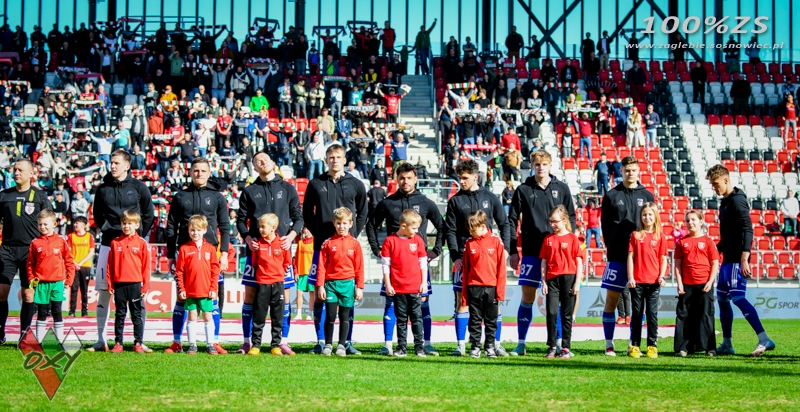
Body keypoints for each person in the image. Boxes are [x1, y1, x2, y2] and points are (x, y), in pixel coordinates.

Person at [366, 162, 445, 356]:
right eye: (401, 178)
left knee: (423, 303)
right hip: (395, 268)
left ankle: (425, 344)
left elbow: (442, 226)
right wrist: (377, 250)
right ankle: (388, 344)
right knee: (391, 303)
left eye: (409, 178)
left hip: (417, 266)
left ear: (416, 179)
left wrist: (435, 251)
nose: (405, 181)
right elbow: (371, 225)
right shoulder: (388, 203)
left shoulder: (425, 202)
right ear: (396, 179)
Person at [507, 150, 575, 356]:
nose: (541, 167)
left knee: (560, 300)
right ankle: (521, 343)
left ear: (550, 165)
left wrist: (569, 246)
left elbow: (571, 218)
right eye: (537, 164)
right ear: (532, 166)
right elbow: (511, 220)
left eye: (544, 164)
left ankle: (560, 344)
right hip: (531, 251)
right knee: (527, 296)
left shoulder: (562, 188)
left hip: (557, 255)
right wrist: (513, 250)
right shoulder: (523, 189)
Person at [87, 150, 155, 352]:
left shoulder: (139, 187)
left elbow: (148, 214)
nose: (112, 166)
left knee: (137, 295)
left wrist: (138, 235)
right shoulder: (102, 189)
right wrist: (108, 230)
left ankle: (139, 341)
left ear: (127, 165)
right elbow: (97, 215)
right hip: (109, 245)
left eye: (116, 163)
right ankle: (101, 340)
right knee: (103, 292)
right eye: (111, 163)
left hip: (133, 247)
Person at [236, 153, 302, 355]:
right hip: (257, 252)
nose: (262, 162)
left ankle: (282, 341)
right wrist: (248, 238)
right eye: (257, 161)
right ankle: (248, 342)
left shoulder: (288, 188)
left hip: (281, 252)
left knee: (284, 297)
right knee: (250, 295)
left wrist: (291, 236)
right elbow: (240, 221)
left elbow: (298, 218)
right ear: (254, 168)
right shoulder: (249, 191)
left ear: (273, 163)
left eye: (265, 159)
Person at [304, 145, 367, 355]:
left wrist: (353, 234)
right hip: (322, 248)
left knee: (347, 297)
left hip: (346, 249)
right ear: (326, 160)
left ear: (344, 159)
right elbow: (307, 213)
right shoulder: (315, 183)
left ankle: (346, 342)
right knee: (319, 295)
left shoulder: (356, 184)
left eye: (338, 157)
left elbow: (363, 212)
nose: (335, 160)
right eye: (331, 157)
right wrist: (319, 234)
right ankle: (322, 341)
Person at [706, 164, 775, 356]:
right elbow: (728, 235)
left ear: (726, 180)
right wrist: (714, 249)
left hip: (737, 259)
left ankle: (764, 339)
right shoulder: (725, 203)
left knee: (738, 298)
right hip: (727, 259)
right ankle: (727, 343)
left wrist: (745, 257)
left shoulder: (737, 201)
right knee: (722, 299)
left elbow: (747, 228)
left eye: (716, 183)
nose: (714, 187)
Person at [164, 158, 230, 355]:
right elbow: (171, 226)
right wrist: (170, 255)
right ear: (190, 172)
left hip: (210, 254)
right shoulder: (180, 196)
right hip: (185, 254)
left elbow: (225, 227)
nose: (199, 173)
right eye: (196, 170)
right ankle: (177, 341)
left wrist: (224, 253)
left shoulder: (217, 197)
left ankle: (214, 342)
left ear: (209, 173)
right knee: (182, 298)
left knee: (212, 298)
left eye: (203, 170)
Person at [445, 159, 510, 357]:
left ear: (475, 176)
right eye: (459, 178)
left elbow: (504, 223)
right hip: (465, 258)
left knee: (494, 304)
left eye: (465, 178)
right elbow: (450, 230)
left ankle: (495, 343)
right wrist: (455, 255)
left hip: (488, 259)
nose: (461, 181)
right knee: (462, 300)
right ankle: (461, 345)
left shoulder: (490, 197)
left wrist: (506, 249)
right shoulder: (455, 201)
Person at [600, 156, 654, 356]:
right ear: (621, 171)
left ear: (638, 171)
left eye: (633, 170)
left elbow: (652, 226)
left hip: (641, 258)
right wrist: (612, 245)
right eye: (627, 170)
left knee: (639, 305)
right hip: (617, 256)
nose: (630, 173)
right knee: (611, 300)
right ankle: (609, 344)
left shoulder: (647, 195)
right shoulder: (611, 195)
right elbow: (605, 227)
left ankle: (634, 344)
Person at [0, 159, 53, 345]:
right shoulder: (4, 195)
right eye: (14, 170)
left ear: (31, 173)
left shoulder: (39, 197)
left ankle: (24, 335)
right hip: (7, 250)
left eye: (20, 170)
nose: (16, 173)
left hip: (30, 252)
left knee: (28, 294)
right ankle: (0, 331)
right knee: (1, 292)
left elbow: (49, 223)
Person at [316, 207, 365, 357]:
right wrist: (320, 286)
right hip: (331, 285)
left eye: (344, 223)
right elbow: (321, 266)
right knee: (330, 316)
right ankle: (328, 344)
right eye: (338, 223)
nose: (341, 226)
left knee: (345, 316)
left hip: (348, 284)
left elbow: (359, 267)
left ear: (350, 224)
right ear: (334, 223)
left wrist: (359, 287)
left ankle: (342, 345)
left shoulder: (355, 244)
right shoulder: (327, 243)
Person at [459, 210, 507, 359]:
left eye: (473, 230)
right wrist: (465, 294)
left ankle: (490, 347)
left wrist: (500, 292)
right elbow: (466, 269)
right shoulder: (469, 243)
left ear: (483, 226)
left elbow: (501, 269)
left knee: (491, 320)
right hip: (474, 287)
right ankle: (475, 347)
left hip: (491, 287)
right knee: (474, 320)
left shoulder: (496, 241)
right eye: (470, 231)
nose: (471, 233)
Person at [381, 209, 428, 358]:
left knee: (417, 318)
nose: (416, 231)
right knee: (401, 319)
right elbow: (385, 265)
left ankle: (419, 347)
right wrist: (388, 284)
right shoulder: (390, 241)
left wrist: (424, 283)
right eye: (414, 228)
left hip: (415, 287)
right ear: (403, 226)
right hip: (398, 288)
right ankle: (402, 347)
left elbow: (423, 263)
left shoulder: (418, 240)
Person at [245, 214, 292, 356]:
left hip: (278, 284)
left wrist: (278, 274)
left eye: (263, 227)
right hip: (262, 284)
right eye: (259, 226)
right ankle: (256, 345)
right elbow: (255, 263)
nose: (260, 229)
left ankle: (275, 346)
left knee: (277, 316)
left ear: (273, 228)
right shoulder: (258, 244)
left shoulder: (282, 244)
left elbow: (287, 263)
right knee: (259, 316)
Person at [674, 210, 719, 357]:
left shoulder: (708, 241)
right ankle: (684, 348)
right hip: (686, 285)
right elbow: (677, 265)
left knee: (705, 315)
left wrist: (710, 281)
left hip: (704, 284)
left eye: (693, 220)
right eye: (687, 220)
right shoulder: (681, 242)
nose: (690, 223)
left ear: (701, 221)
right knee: (684, 316)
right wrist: (680, 283)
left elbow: (715, 263)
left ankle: (709, 347)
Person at [174, 215, 221, 355]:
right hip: (190, 290)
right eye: (192, 230)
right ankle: (192, 345)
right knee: (192, 316)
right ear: (188, 230)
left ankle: (210, 344)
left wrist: (213, 288)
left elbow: (215, 270)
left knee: (208, 316)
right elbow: (179, 271)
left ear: (205, 230)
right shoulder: (184, 249)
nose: (195, 233)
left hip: (206, 290)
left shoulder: (210, 249)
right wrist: (182, 288)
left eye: (199, 230)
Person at [540, 205, 583, 359]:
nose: (552, 224)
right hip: (552, 280)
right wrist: (544, 281)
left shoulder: (573, 238)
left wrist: (577, 283)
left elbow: (579, 261)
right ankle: (552, 346)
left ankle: (565, 347)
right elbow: (544, 262)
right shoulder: (548, 239)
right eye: (550, 222)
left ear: (564, 220)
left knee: (566, 315)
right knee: (551, 313)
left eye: (555, 221)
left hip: (569, 279)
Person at [626, 203, 668, 359]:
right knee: (637, 314)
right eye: (644, 214)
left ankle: (652, 346)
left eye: (650, 214)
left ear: (655, 216)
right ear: (641, 217)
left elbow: (663, 259)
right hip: (637, 282)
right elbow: (630, 258)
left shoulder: (660, 236)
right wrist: (631, 277)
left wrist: (661, 276)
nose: (647, 217)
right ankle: (635, 346)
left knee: (652, 314)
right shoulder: (635, 235)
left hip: (654, 283)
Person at [26, 209, 75, 342]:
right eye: (40, 224)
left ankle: (59, 340)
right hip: (41, 284)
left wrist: (69, 280)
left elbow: (69, 261)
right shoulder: (35, 242)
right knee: (42, 312)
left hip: (57, 283)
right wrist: (31, 279)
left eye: (45, 224)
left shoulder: (61, 240)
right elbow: (30, 264)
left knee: (57, 311)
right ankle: (40, 341)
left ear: (54, 224)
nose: (42, 227)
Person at [107, 210, 152, 353]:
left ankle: (138, 343)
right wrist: (110, 284)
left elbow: (146, 267)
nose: (126, 226)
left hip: (135, 284)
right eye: (124, 223)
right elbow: (110, 266)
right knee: (120, 314)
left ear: (137, 225)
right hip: (119, 284)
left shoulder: (142, 243)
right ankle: (118, 343)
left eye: (130, 223)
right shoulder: (115, 243)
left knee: (136, 314)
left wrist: (145, 286)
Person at [67, 216, 94, 318]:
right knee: (74, 289)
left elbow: (91, 252)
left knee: (84, 289)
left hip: (85, 266)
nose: (75, 225)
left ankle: (84, 311)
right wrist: (75, 263)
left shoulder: (89, 236)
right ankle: (72, 311)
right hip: (74, 266)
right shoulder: (71, 236)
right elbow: (68, 252)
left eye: (77, 223)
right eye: (74, 223)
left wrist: (81, 263)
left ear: (83, 224)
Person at [294, 227, 315, 320]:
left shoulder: (315, 242)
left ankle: (310, 314)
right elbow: (296, 259)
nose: (305, 231)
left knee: (312, 293)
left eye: (307, 229)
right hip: (301, 272)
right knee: (299, 292)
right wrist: (295, 271)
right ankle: (299, 314)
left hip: (312, 273)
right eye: (304, 229)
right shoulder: (300, 243)